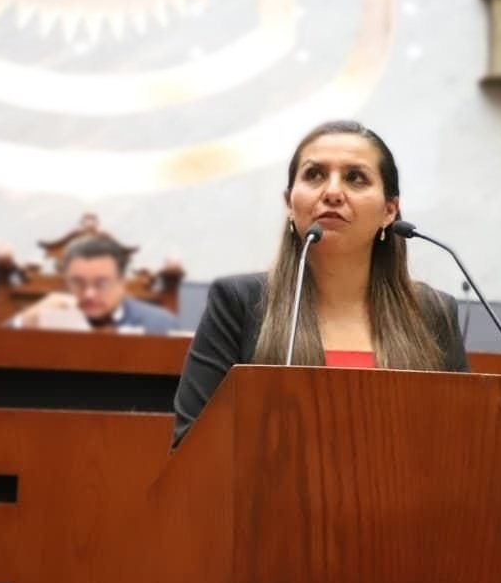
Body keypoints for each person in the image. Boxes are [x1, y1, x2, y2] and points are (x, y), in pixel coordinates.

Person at [172, 120, 469, 446]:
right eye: (314, 175)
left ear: (389, 210)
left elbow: (460, 446)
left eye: (355, 177)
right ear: (289, 203)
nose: (332, 192)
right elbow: (192, 447)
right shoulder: (239, 303)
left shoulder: (431, 312)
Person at [12, 234, 179, 334]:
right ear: (66, 283)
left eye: (101, 284)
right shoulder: (45, 318)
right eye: (78, 283)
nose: (89, 294)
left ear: (122, 283)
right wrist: (25, 320)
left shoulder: (160, 325)